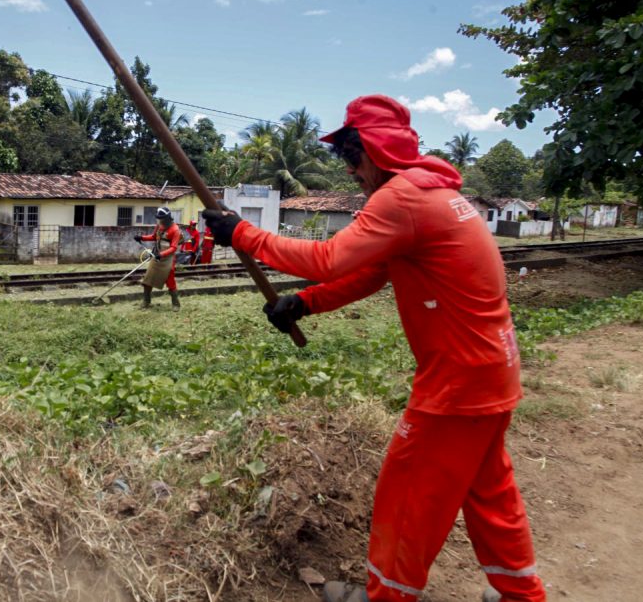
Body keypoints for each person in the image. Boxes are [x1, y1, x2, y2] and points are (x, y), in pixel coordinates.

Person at [202, 95, 545, 602]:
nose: (350, 172)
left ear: (377, 151)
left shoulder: (402, 197)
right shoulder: (436, 193)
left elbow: (330, 257)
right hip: (492, 372)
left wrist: (244, 234)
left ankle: (385, 596)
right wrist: (305, 304)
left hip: (457, 383)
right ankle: (522, 594)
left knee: (406, 495)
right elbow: (373, 273)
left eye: (352, 157)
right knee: (489, 492)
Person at [132, 207, 182, 311]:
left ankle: (176, 304)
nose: (160, 221)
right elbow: (154, 236)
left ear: (168, 218)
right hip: (157, 255)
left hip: (167, 259)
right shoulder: (159, 226)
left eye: (162, 218)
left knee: (170, 282)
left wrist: (162, 254)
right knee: (147, 280)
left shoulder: (175, 230)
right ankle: (146, 302)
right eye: (159, 218)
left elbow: (173, 247)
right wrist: (142, 238)